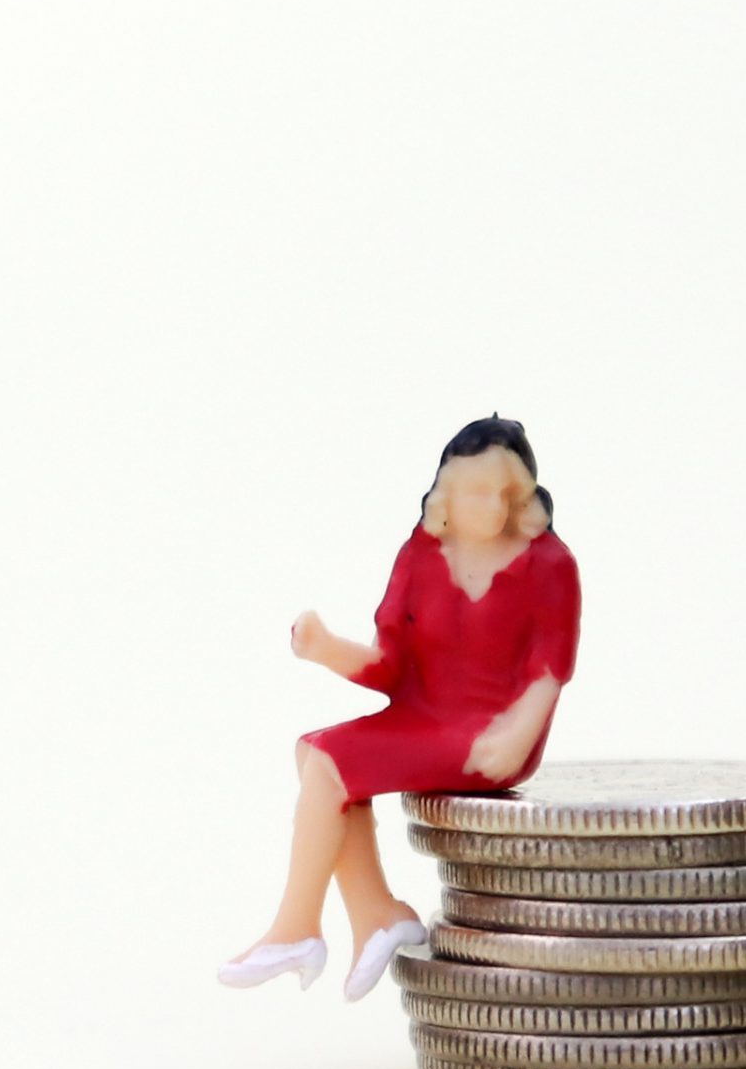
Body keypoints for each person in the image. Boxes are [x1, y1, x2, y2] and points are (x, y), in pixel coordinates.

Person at [220, 416, 583, 1001]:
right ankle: (377, 915)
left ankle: (297, 927)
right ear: (445, 494)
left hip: (492, 738)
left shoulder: (550, 564)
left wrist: (517, 735)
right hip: (425, 715)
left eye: (504, 493)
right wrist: (326, 650)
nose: (491, 506)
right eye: (474, 492)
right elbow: (392, 668)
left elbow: (551, 669)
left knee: (333, 764)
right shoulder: (419, 556)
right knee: (312, 752)